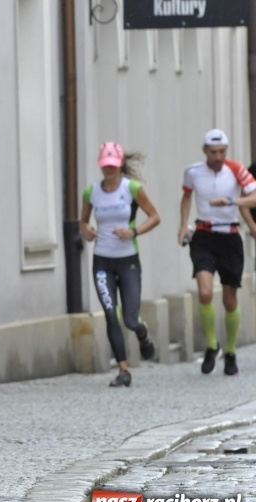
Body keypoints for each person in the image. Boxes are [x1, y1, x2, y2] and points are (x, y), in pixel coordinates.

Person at [80, 142, 160, 387]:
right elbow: (82, 222)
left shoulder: (132, 188)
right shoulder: (91, 191)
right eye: (105, 166)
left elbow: (155, 217)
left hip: (128, 261)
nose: (109, 171)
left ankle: (142, 332)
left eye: (113, 166)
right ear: (100, 166)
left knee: (129, 318)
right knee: (109, 313)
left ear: (121, 165)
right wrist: (87, 231)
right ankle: (123, 370)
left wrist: (134, 231)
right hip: (102, 260)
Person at [179, 129, 256, 377]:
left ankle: (230, 352)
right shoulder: (193, 172)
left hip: (230, 236)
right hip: (203, 236)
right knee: (203, 291)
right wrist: (183, 225)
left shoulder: (236, 170)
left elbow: (254, 198)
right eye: (213, 152)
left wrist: (231, 202)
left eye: (222, 152)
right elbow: (186, 197)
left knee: (229, 299)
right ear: (204, 151)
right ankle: (212, 345)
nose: (218, 157)